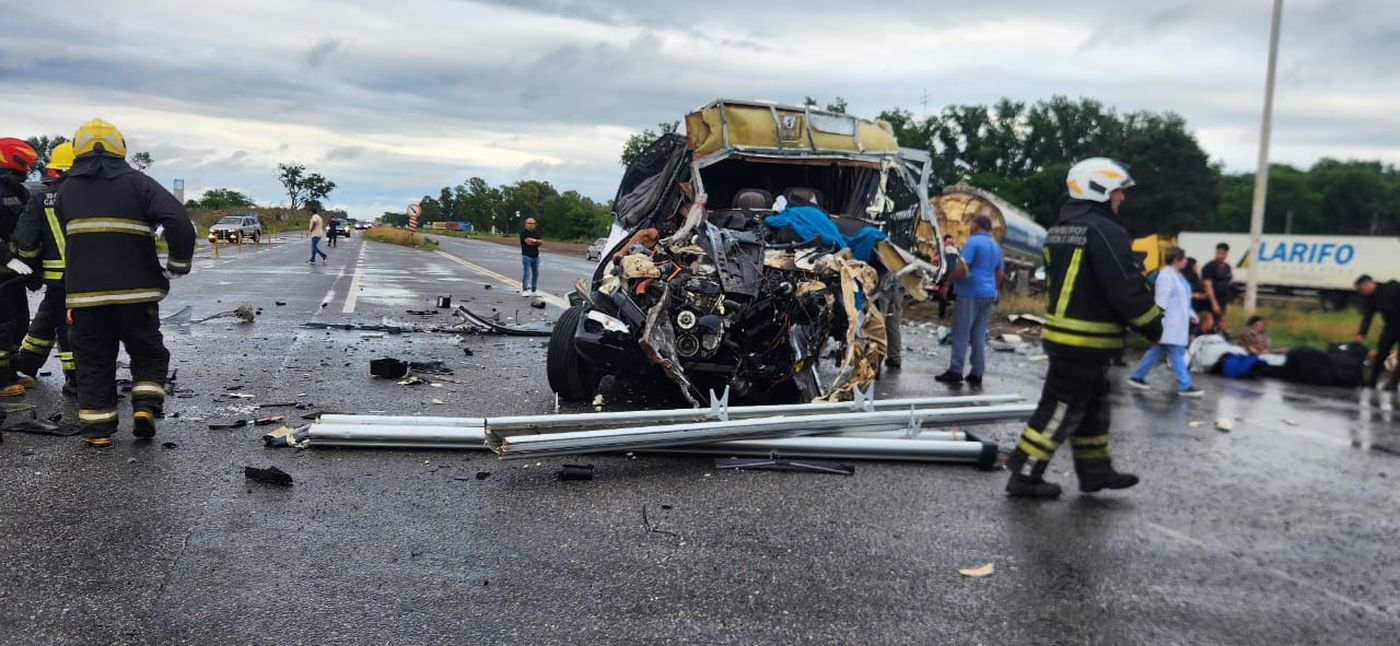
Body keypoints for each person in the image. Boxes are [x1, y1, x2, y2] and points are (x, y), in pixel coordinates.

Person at [1005, 157, 1162, 499]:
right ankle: (1024, 474)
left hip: (1069, 336)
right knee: (1060, 408)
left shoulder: (1060, 229)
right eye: (1118, 191)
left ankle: (1095, 471)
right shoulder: (1105, 231)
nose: (1122, 198)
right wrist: (1153, 324)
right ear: (1100, 189)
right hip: (1085, 339)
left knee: (1092, 407)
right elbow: (1124, 286)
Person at [56, 118, 196, 447]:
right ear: (120, 148)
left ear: (78, 149)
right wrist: (178, 265)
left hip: (86, 297)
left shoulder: (66, 190)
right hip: (138, 295)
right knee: (148, 353)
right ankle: (145, 407)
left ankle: (98, 432)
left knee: (93, 361)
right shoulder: (139, 183)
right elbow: (179, 221)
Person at [14, 141, 78, 395]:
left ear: (55, 171)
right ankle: (28, 363)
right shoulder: (93, 197)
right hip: (92, 275)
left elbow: (26, 242)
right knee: (57, 320)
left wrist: (30, 269)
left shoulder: (41, 198)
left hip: (57, 277)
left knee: (65, 325)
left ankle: (76, 379)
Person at [935, 215, 1003, 386]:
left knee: (961, 332)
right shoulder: (995, 246)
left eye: (971, 224)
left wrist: (948, 283)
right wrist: (995, 290)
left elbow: (961, 267)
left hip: (970, 292)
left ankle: (956, 370)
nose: (969, 227)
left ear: (976, 225)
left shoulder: (973, 242)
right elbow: (1000, 273)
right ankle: (977, 372)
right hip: (988, 293)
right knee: (978, 334)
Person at [1127, 247, 1203, 397]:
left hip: (1177, 323)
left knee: (1157, 351)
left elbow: (1182, 300)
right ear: (1176, 260)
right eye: (1183, 259)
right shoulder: (1166, 276)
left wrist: (1191, 314)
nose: (1186, 261)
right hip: (1169, 323)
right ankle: (1185, 386)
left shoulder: (1178, 276)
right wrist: (1157, 321)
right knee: (1176, 353)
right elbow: (1161, 301)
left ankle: (1136, 377)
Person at [0, 138, 39, 398]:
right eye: (25, 164)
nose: (28, 170)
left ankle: (11, 372)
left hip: (14, 273)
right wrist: (6, 257)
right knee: (2, 326)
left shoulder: (19, 191)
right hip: (4, 269)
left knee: (20, 321)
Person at [1354, 274, 1400, 391]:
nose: (1361, 293)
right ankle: (1371, 382)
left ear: (1368, 285)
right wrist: (1362, 333)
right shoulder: (1370, 298)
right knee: (1381, 353)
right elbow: (1368, 317)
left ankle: (1393, 383)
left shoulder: (1391, 288)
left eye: (1361, 289)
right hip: (1391, 327)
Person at [1201, 242, 1233, 328]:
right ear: (1216, 252)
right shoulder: (1209, 267)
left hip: (1223, 301)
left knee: (1220, 324)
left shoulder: (1227, 267)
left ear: (1226, 254)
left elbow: (1229, 281)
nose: (1221, 256)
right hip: (1210, 302)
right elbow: (1208, 286)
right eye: (1219, 253)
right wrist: (1214, 303)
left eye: (1223, 254)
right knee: (1209, 324)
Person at [937, 234, 959, 320]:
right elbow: (934, 260)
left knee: (957, 296)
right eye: (948, 242)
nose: (950, 244)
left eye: (951, 242)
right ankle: (941, 316)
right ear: (944, 243)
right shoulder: (941, 251)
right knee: (943, 297)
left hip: (954, 278)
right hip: (944, 277)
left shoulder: (956, 251)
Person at [519, 217, 541, 297]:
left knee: (536, 274)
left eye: (533, 223)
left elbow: (541, 242)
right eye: (529, 223)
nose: (531, 225)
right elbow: (528, 242)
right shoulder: (523, 233)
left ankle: (534, 290)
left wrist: (534, 241)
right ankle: (525, 290)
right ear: (526, 224)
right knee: (527, 274)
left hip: (536, 256)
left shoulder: (536, 232)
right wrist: (536, 241)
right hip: (526, 256)